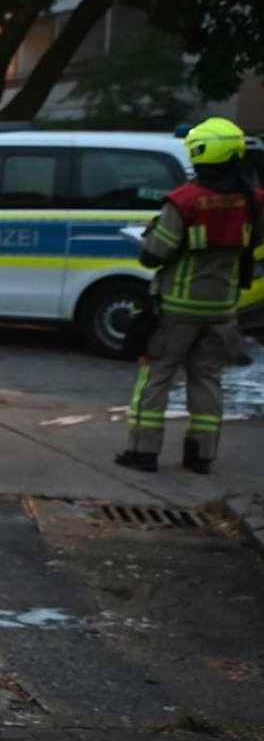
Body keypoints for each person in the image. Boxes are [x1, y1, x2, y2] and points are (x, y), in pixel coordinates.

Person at [116, 117, 263, 474]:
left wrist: (150, 235)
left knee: (155, 378)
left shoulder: (185, 201)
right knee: (207, 380)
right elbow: (254, 242)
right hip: (222, 309)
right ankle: (201, 456)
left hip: (177, 309)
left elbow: (153, 255)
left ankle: (142, 452)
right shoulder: (254, 200)